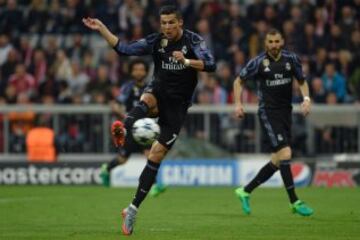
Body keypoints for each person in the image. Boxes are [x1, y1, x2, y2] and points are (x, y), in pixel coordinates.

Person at [83, 5, 215, 235]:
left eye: (171, 23)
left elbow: (211, 64)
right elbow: (124, 49)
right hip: (159, 91)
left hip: (178, 107)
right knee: (148, 98)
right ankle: (123, 128)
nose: (167, 27)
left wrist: (186, 61)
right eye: (163, 23)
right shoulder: (156, 41)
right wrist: (102, 28)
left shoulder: (194, 42)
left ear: (180, 23)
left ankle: (132, 209)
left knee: (155, 155)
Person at [233, 29, 314, 217]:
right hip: (268, 113)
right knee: (285, 153)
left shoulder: (291, 59)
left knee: (277, 160)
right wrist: (238, 104)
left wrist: (307, 99)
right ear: (266, 43)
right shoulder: (259, 62)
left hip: (286, 112)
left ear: (282, 41)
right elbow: (239, 81)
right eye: (271, 41)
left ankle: (245, 191)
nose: (274, 45)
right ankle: (294, 201)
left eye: (277, 41)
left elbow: (302, 81)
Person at [100, 58, 166, 197]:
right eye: (136, 69)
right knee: (123, 159)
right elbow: (115, 104)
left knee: (150, 155)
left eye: (141, 69)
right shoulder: (127, 87)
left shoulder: (150, 87)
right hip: (131, 129)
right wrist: (125, 115)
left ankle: (154, 186)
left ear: (146, 71)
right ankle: (106, 168)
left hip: (146, 129)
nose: (139, 72)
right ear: (131, 71)